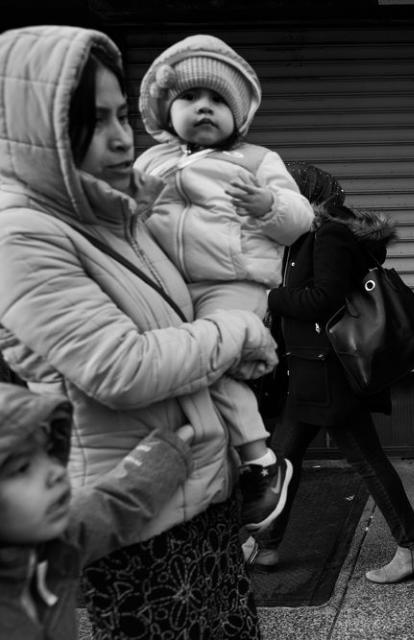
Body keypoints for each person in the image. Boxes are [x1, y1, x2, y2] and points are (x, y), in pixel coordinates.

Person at [0, 25, 277, 639]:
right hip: (131, 519)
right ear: (36, 128)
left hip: (196, 493)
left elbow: (177, 327)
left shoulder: (111, 215)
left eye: (122, 114)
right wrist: (237, 329)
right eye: (94, 121)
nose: (123, 137)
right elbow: (124, 368)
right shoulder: (20, 234)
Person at [135, 34, 317, 531]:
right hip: (167, 286)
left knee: (212, 364)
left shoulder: (258, 161)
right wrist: (137, 204)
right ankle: (218, 463)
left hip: (233, 285)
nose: (204, 108)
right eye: (190, 98)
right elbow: (121, 226)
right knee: (183, 372)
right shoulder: (150, 165)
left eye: (218, 100)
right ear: (165, 111)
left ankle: (261, 460)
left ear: (238, 115)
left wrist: (267, 206)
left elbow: (300, 221)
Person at [246, 162, 414, 583]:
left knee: (365, 461)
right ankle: (267, 545)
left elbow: (322, 299)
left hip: (329, 376)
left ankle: (413, 548)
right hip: (306, 375)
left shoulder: (328, 234)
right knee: (281, 458)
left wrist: (271, 298)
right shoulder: (301, 236)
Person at [0, 383, 195, 639]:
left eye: (49, 453)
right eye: (22, 468)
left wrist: (167, 455)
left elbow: (109, 506)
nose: (57, 472)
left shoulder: (54, 544)